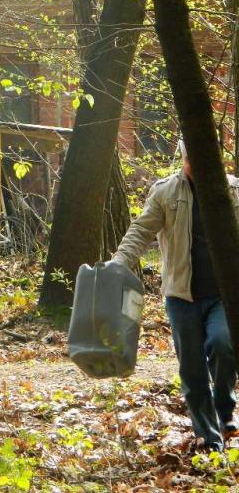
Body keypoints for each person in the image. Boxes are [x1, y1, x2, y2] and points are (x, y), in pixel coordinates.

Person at [111, 140, 237, 451]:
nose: (196, 163)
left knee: (223, 346)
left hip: (223, 295)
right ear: (183, 158)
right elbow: (141, 230)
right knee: (192, 370)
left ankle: (223, 408)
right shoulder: (166, 192)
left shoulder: (233, 191)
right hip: (181, 296)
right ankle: (209, 436)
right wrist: (119, 263)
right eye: (190, 158)